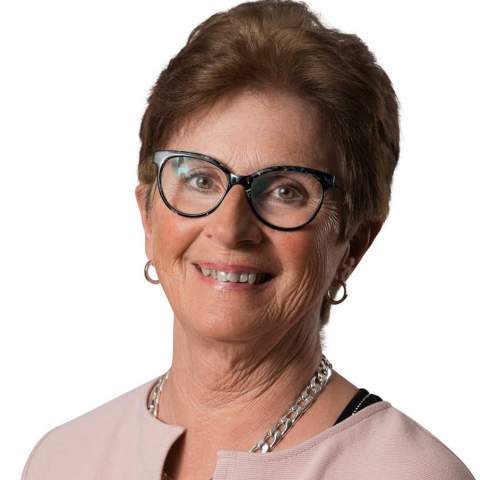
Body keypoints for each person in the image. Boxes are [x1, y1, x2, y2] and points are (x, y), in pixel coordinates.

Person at [21, 1, 475, 479]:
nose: (230, 228)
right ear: (148, 217)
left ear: (354, 243)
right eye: (200, 179)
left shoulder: (411, 472)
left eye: (286, 191)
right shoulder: (61, 460)